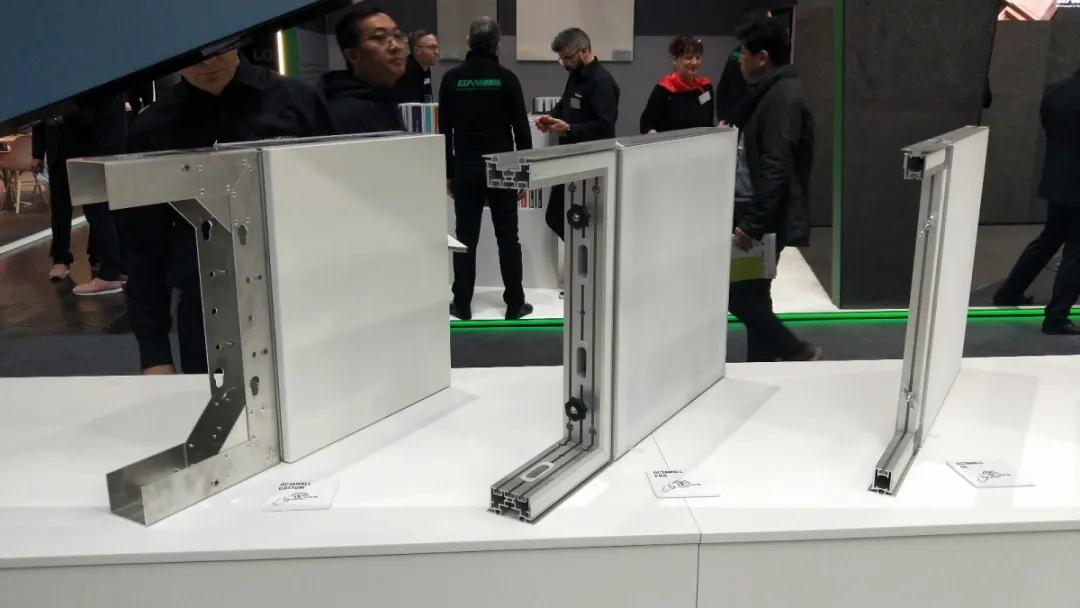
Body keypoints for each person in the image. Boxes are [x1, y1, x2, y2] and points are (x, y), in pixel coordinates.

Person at [123, 49, 334, 375]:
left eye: (216, 50)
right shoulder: (151, 128)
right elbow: (143, 245)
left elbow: (333, 207)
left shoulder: (299, 101)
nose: (208, 63)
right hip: (207, 311)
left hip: (302, 296)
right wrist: (154, 353)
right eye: (192, 55)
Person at [728, 17, 821, 362]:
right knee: (754, 293)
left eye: (744, 54)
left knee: (738, 295)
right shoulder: (770, 93)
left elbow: (776, 167)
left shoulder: (782, 99)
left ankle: (793, 349)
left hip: (762, 217)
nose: (741, 61)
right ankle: (765, 364)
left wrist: (751, 224)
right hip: (757, 211)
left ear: (762, 57)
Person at [439, 17, 533, 321]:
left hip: (466, 163)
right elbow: (522, 130)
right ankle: (515, 303)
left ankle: (462, 304)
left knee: (465, 237)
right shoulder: (507, 79)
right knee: (508, 236)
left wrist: (449, 172)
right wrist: (524, 173)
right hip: (503, 163)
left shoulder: (451, 79)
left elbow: (445, 132)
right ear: (498, 45)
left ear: (468, 41)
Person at [992, 66, 1080, 335]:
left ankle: (1010, 291)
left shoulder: (1056, 90)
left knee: (1049, 238)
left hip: (1058, 178)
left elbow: (1050, 130)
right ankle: (1057, 316)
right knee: (1076, 251)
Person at [31, 95, 127, 294]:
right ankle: (62, 259)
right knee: (61, 209)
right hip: (59, 151)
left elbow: (92, 110)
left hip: (88, 149)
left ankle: (110, 271)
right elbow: (40, 115)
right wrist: (37, 153)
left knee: (97, 210)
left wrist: (59, 117)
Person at [535, 28, 620, 240]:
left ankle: (590, 256)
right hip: (569, 156)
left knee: (585, 221)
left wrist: (570, 129)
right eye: (561, 59)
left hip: (591, 160)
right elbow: (564, 105)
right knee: (556, 217)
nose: (564, 63)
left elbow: (605, 126)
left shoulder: (602, 82)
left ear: (584, 51)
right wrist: (549, 119)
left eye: (568, 58)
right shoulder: (574, 76)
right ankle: (580, 253)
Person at [321, 2, 407, 134]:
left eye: (397, 35)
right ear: (352, 55)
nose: (395, 46)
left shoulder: (384, 98)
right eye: (379, 37)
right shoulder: (340, 113)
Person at [640, 35, 715, 134]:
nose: (694, 62)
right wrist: (652, 133)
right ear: (675, 60)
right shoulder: (664, 89)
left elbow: (709, 124)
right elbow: (646, 124)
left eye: (697, 57)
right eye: (688, 58)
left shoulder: (706, 88)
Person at [396, 29, 439, 103]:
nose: (436, 52)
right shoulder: (405, 71)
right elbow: (410, 105)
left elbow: (427, 99)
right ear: (417, 50)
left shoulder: (425, 68)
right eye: (432, 47)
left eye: (437, 47)